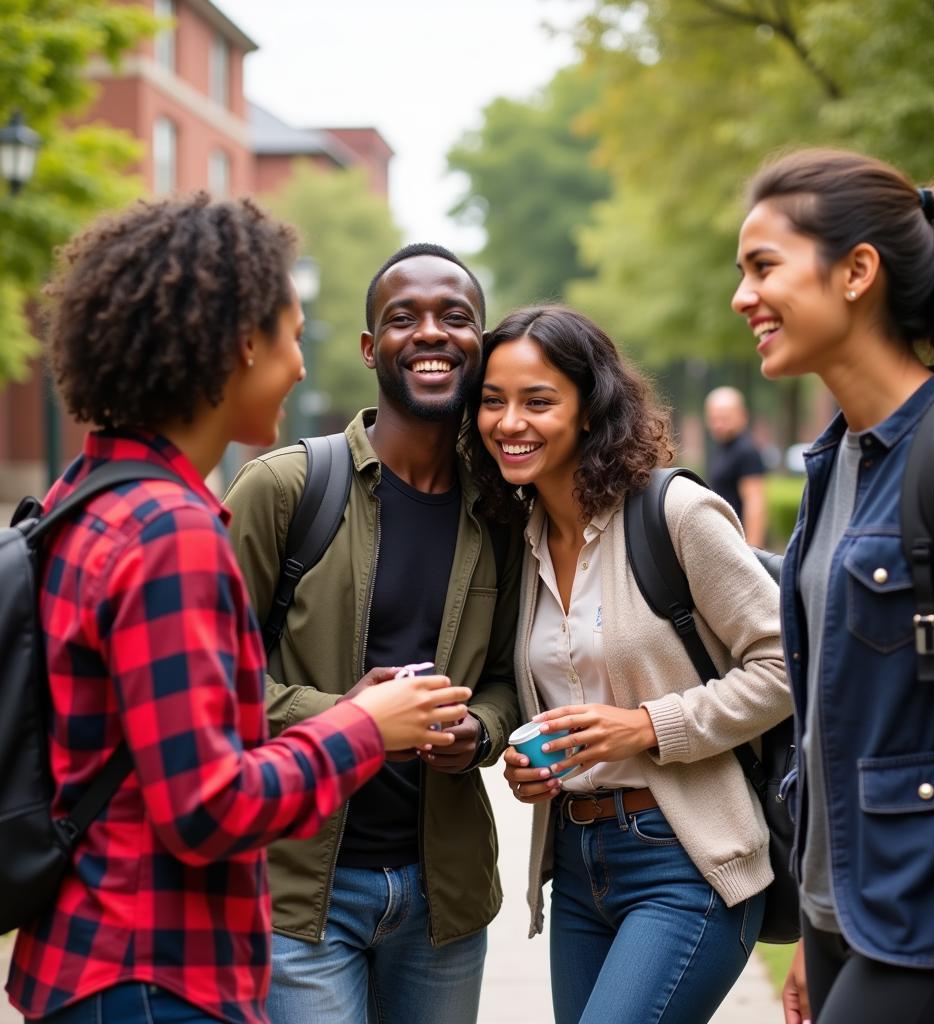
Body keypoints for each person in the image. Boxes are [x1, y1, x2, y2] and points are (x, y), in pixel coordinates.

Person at [5, 196, 472, 1024]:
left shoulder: (85, 500)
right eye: (293, 336)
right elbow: (208, 809)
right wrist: (366, 726)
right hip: (155, 975)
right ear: (244, 343)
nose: (299, 365)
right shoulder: (169, 532)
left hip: (96, 958)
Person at [731, 148, 934, 1024]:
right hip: (851, 912)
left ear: (858, 271)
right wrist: (819, 930)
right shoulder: (837, 463)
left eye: (764, 267)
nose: (744, 297)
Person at [464, 305, 791, 1024]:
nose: (509, 421)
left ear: (590, 409)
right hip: (577, 871)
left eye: (538, 400)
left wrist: (648, 725)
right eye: (493, 401)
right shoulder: (516, 543)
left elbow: (786, 665)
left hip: (688, 859)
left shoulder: (674, 513)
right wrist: (532, 767)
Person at [222, 243, 522, 1023]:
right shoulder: (287, 487)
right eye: (403, 318)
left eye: (455, 318)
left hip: (443, 899)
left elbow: (509, 676)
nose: (430, 332)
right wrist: (349, 719)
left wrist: (479, 733)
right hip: (299, 901)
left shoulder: (502, 512)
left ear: (480, 346)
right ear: (368, 348)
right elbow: (211, 686)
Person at [703, 385, 768, 546]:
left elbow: (755, 504)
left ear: (742, 416)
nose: (718, 424)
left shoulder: (746, 451)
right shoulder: (722, 448)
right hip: (725, 541)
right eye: (714, 419)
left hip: (739, 544)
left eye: (724, 418)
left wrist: (753, 552)